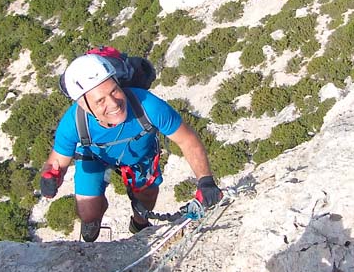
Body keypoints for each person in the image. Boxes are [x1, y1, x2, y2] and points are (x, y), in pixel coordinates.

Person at [39, 53, 223, 242]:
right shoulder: (73, 123)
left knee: (147, 196)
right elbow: (57, 162)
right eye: (100, 101)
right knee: (88, 212)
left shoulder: (147, 105)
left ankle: (139, 222)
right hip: (95, 156)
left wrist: (205, 180)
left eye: (114, 91)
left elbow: (187, 140)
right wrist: (50, 177)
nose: (113, 103)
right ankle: (92, 218)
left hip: (140, 156)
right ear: (84, 106)